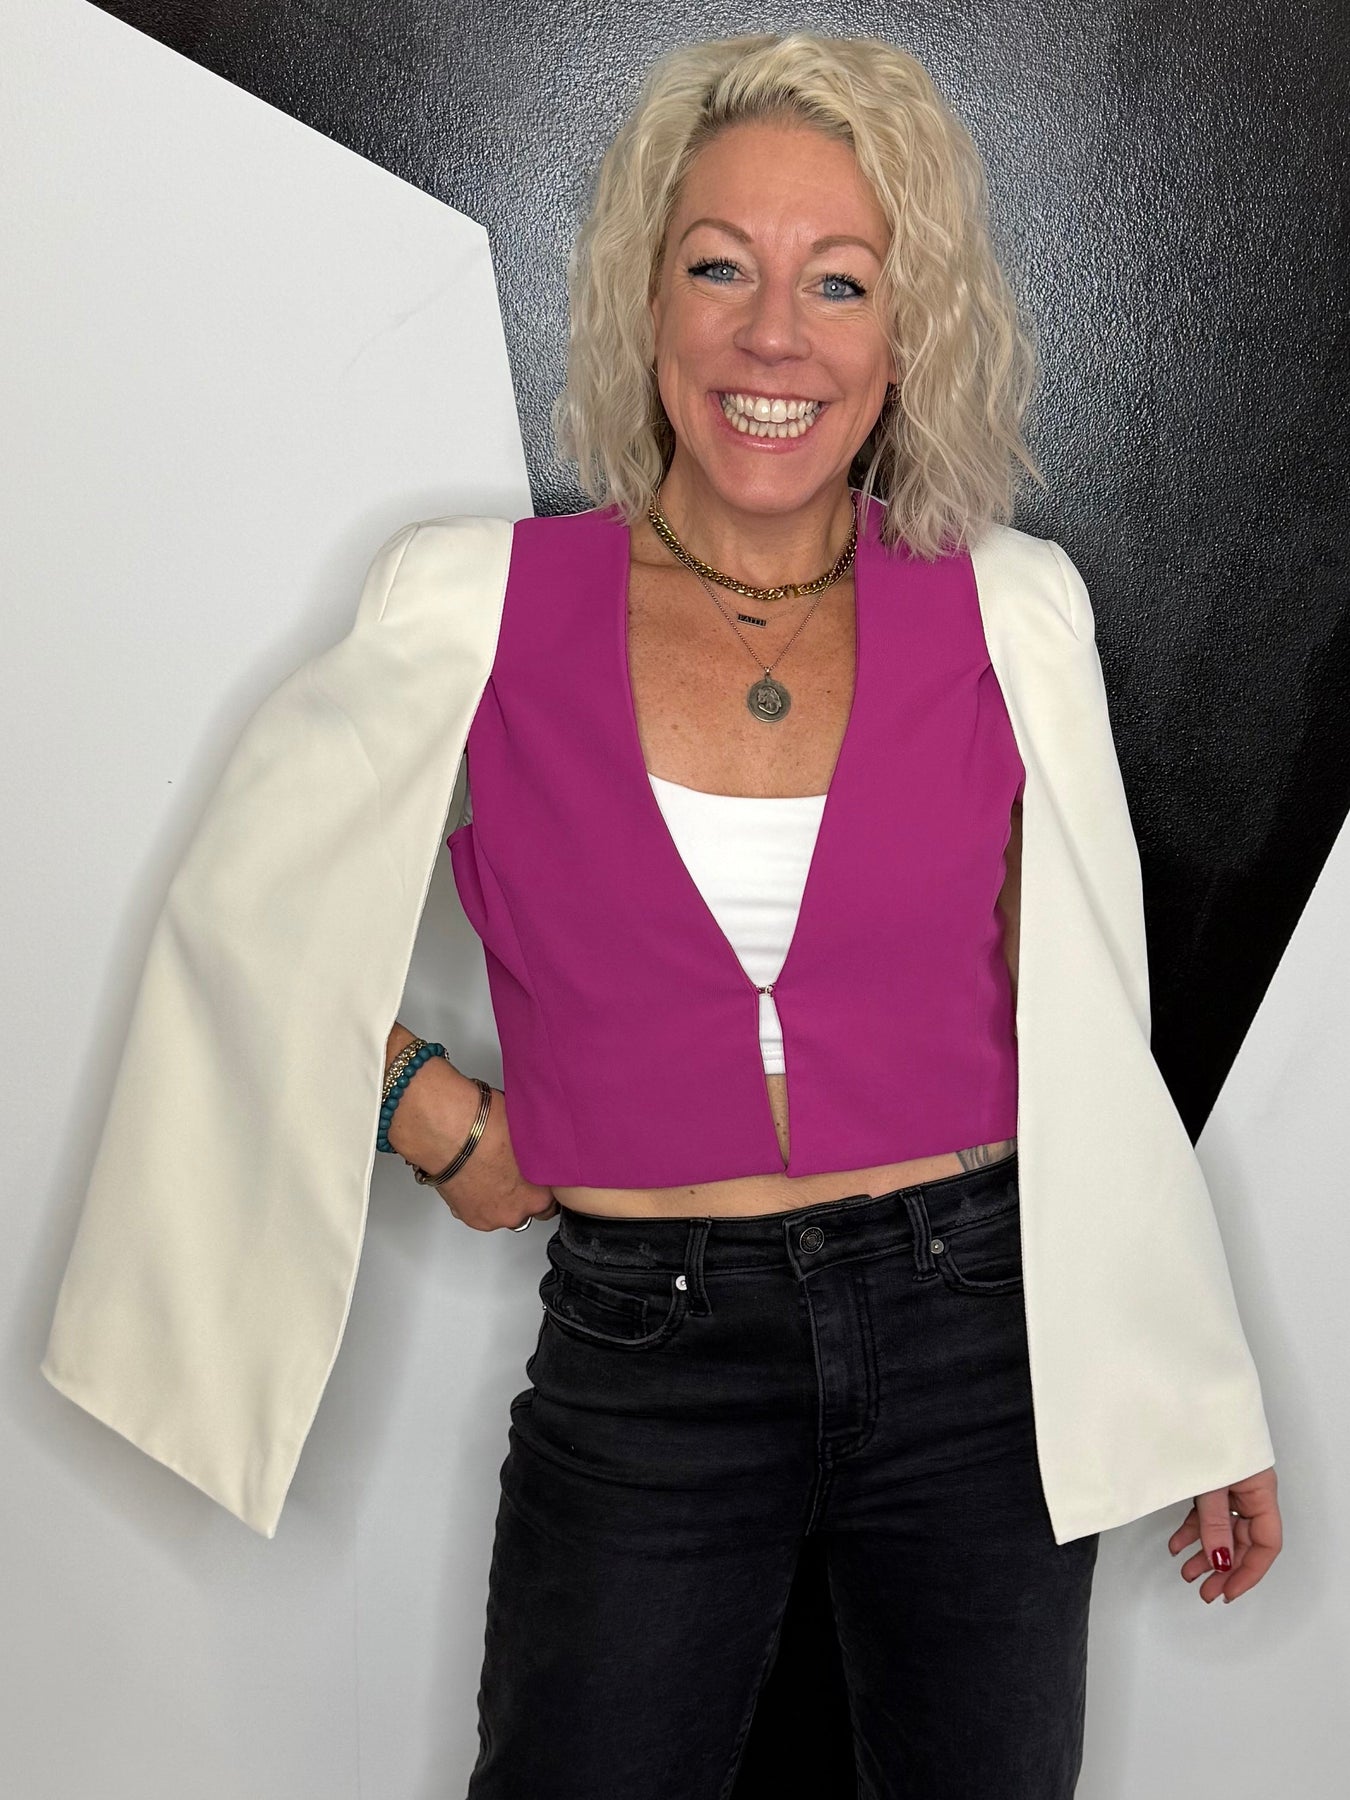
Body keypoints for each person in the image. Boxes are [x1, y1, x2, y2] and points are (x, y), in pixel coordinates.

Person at [40, 29, 1281, 1800]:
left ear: (904, 334)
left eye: (837, 281)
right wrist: (426, 1110)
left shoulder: (1011, 612)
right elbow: (246, 929)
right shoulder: (470, 604)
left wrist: (1194, 1387)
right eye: (718, 268)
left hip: (974, 1335)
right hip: (647, 1349)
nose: (773, 336)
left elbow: (1090, 1034)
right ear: (646, 303)